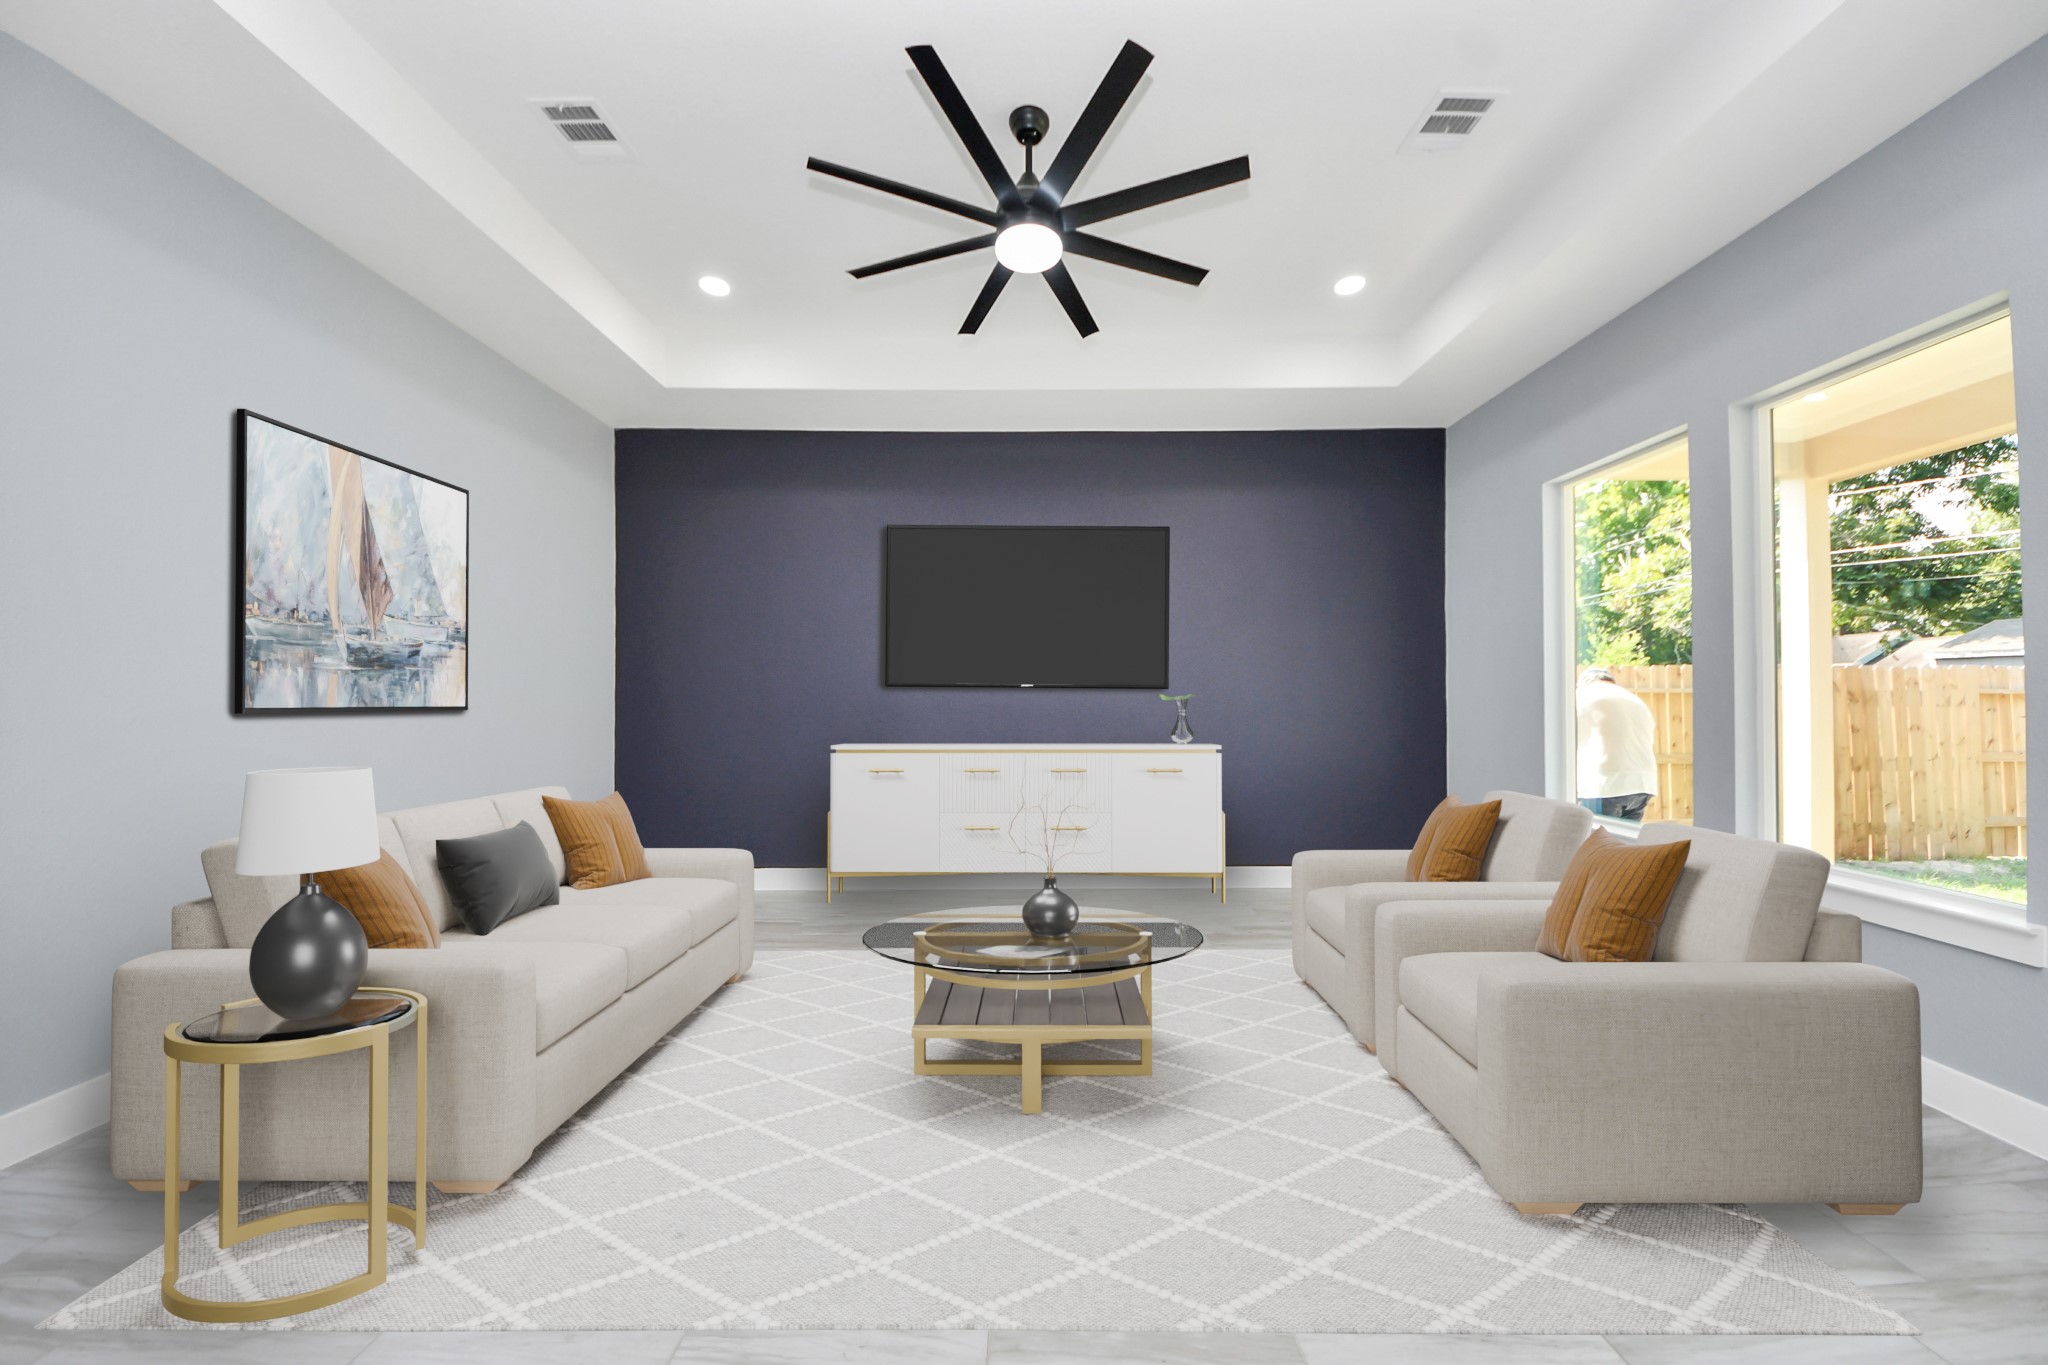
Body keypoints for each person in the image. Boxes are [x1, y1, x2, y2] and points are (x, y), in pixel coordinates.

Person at [1576, 667, 1658, 821]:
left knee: (1594, 836)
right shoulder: (1635, 700)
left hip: (1604, 786)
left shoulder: (1582, 696)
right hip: (1643, 785)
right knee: (1625, 837)